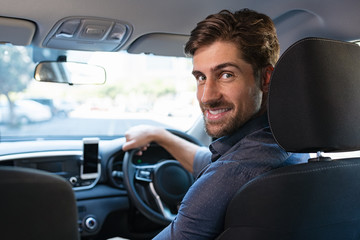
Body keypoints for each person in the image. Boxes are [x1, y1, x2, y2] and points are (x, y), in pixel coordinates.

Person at [122, 9, 309, 239]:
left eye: (226, 74)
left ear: (265, 78)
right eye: (201, 77)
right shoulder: (290, 145)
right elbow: (208, 161)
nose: (206, 96)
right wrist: (159, 135)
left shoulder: (231, 173)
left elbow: (226, 170)